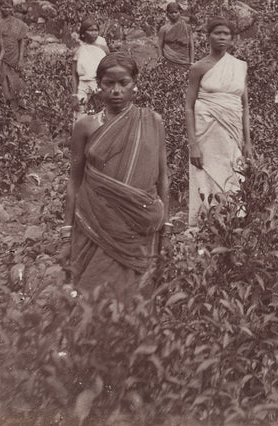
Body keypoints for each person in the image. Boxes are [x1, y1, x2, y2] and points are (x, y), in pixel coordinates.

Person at [66, 52, 168, 296]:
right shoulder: (85, 126)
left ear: (135, 85)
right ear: (98, 86)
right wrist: (66, 232)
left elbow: (163, 176)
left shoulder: (152, 121)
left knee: (135, 300)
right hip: (94, 224)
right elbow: (74, 180)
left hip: (138, 228)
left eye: (123, 83)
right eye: (108, 83)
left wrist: (167, 226)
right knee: (93, 298)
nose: (116, 90)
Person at [185, 18, 250, 226]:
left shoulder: (239, 66)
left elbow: (245, 106)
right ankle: (205, 225)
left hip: (232, 131)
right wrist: (193, 144)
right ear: (208, 36)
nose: (222, 38)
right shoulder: (199, 67)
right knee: (206, 177)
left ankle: (231, 227)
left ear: (232, 39)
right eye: (217, 33)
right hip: (206, 132)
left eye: (226, 34)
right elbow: (188, 106)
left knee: (232, 178)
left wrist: (248, 142)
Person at [0, 0, 27, 108]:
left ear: (12, 8)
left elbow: (21, 41)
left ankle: (16, 107)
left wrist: (21, 59)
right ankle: (5, 108)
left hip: (14, 56)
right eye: (4, 7)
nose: (6, 10)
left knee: (15, 82)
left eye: (9, 7)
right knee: (2, 82)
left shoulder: (18, 23)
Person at [71, 21, 109, 105]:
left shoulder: (103, 49)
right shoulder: (78, 50)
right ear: (83, 33)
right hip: (82, 87)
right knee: (81, 114)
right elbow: (74, 75)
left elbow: (109, 69)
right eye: (90, 30)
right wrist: (74, 95)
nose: (94, 33)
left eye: (96, 30)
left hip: (99, 86)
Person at [155, 0, 193, 70]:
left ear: (180, 12)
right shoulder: (164, 29)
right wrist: (160, 60)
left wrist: (191, 62)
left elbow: (191, 46)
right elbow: (159, 46)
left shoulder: (187, 27)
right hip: (168, 60)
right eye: (171, 12)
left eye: (176, 12)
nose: (173, 14)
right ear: (167, 14)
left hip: (184, 61)